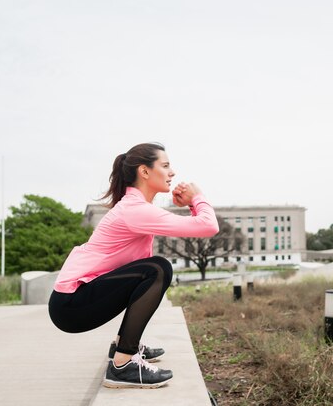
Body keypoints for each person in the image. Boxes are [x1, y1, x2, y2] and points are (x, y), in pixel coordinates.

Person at [48, 142, 219, 389]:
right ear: (145, 172)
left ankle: (123, 346)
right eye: (166, 165)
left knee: (149, 268)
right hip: (71, 305)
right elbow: (208, 226)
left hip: (72, 302)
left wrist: (191, 205)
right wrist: (197, 198)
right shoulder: (135, 210)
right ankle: (122, 365)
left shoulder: (137, 208)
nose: (172, 172)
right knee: (158, 269)